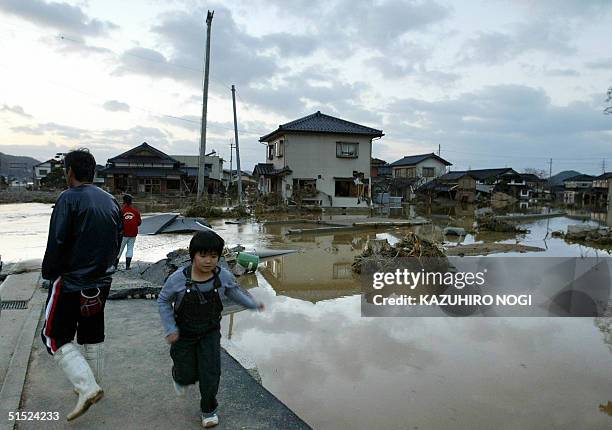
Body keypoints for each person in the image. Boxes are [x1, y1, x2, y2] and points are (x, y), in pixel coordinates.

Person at [41, 149, 123, 421]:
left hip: (72, 280)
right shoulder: (111, 201)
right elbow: (118, 241)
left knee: (53, 336)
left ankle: (87, 387)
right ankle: (94, 384)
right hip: (102, 280)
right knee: (92, 333)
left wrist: (49, 273)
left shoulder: (68, 198)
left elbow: (58, 241)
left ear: (69, 172)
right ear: (94, 173)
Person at [157, 230, 264, 428]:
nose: (208, 261)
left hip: (210, 331)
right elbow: (163, 301)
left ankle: (208, 410)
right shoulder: (177, 279)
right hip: (184, 333)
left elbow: (233, 291)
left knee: (210, 371)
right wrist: (170, 327)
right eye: (203, 255)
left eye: (214, 256)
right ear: (193, 256)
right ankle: (179, 377)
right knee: (186, 373)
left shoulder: (223, 275)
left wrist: (252, 304)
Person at [116, 194, 141, 270]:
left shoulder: (121, 211)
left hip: (123, 234)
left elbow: (117, 222)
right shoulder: (136, 212)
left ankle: (115, 265)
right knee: (130, 248)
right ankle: (127, 266)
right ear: (131, 202)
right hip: (133, 233)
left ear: (124, 202)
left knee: (119, 249)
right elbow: (139, 222)